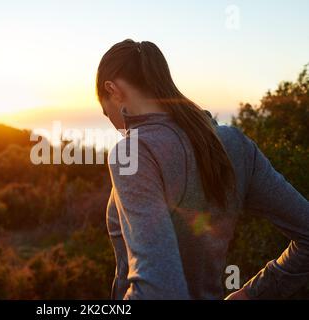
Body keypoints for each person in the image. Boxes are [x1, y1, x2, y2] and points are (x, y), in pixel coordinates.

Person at [96, 39, 309, 299]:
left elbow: (159, 290)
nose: (117, 129)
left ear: (113, 90)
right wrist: (252, 295)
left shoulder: (135, 152)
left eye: (108, 114)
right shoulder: (233, 143)